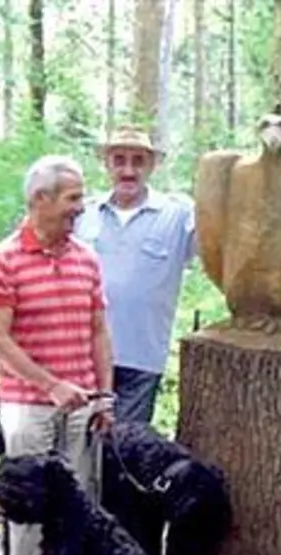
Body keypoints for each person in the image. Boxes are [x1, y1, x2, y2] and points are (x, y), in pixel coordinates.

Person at [0, 155, 116, 555]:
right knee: (31, 507)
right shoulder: (3, 260)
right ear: (39, 199)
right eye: (73, 197)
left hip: (82, 406)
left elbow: (98, 330)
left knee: (79, 504)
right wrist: (50, 384)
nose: (81, 207)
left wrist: (104, 396)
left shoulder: (86, 257)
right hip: (28, 405)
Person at [73, 125, 196, 425]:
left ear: (152, 165)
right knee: (77, 448)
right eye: (119, 160)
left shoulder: (178, 214)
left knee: (125, 449)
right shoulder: (82, 214)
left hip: (142, 356)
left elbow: (221, 250)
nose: (128, 170)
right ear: (107, 164)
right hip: (81, 354)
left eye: (138, 161)